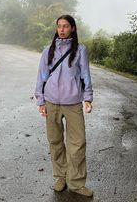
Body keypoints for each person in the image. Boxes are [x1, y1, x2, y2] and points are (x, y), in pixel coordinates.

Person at [34, 14, 93, 197]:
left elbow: (85, 75)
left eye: (65, 26)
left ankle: (76, 182)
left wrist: (88, 97)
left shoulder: (80, 50)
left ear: (72, 28)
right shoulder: (48, 50)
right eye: (59, 26)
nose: (61, 29)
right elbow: (42, 76)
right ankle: (61, 176)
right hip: (51, 102)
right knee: (55, 141)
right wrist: (40, 100)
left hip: (73, 102)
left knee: (78, 142)